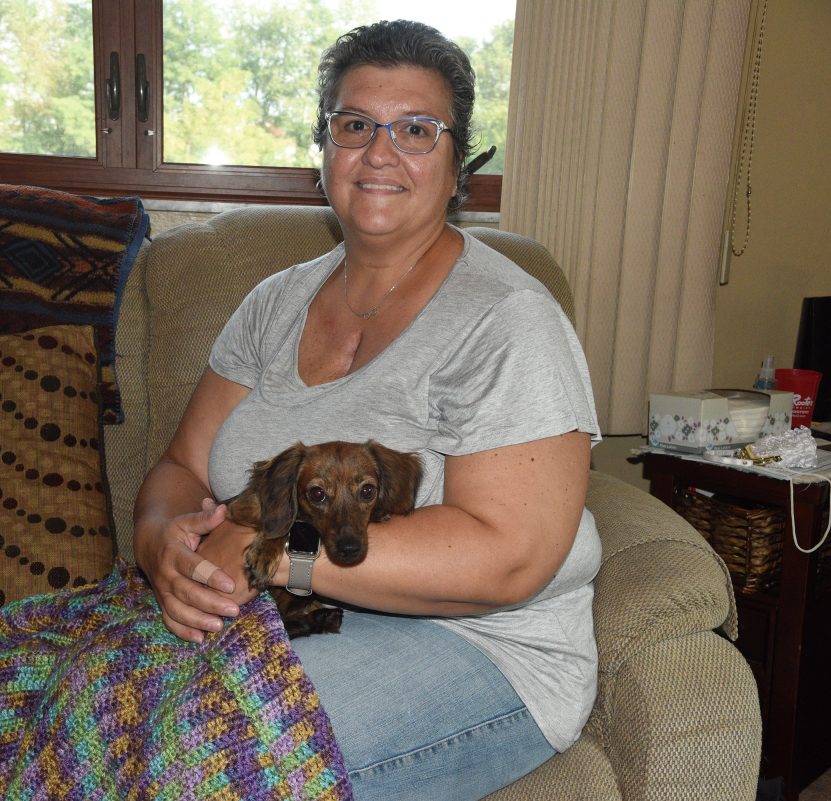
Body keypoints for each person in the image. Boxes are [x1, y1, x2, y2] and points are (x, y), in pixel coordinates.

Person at [133, 19, 602, 801]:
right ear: (325, 149)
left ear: (457, 167)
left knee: (200, 750)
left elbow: (511, 555)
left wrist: (275, 551)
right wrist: (160, 547)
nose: (380, 152)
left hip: (475, 645)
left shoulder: (510, 319)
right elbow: (182, 465)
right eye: (355, 125)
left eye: (416, 130)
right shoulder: (271, 303)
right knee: (101, 699)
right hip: (295, 613)